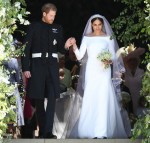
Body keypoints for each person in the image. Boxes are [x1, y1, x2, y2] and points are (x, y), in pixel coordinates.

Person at [64, 14, 129, 139]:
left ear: (102, 25)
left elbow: (114, 55)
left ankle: (103, 132)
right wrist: (74, 46)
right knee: (91, 97)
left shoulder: (108, 37)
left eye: (99, 24)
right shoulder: (87, 38)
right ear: (91, 25)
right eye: (95, 25)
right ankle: (88, 130)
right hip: (91, 71)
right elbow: (79, 56)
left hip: (103, 71)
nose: (97, 27)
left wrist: (109, 60)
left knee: (103, 98)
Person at [21, 3, 73, 139]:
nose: (52, 18)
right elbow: (26, 49)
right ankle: (43, 131)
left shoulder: (57, 28)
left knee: (52, 99)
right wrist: (26, 68)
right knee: (38, 100)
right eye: (50, 15)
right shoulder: (34, 27)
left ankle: (48, 132)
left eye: (54, 16)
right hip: (37, 66)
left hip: (52, 67)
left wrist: (66, 46)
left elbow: (61, 49)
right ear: (44, 14)